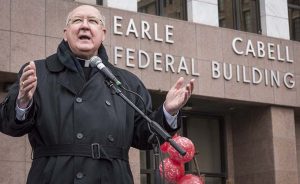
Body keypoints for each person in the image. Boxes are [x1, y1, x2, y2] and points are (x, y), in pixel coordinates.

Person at [1, 5, 194, 184]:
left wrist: (168, 111)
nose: (84, 26)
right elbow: (9, 126)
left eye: (93, 21)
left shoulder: (127, 82)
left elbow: (144, 137)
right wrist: (23, 103)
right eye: (77, 21)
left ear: (103, 34)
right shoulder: (38, 72)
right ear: (65, 34)